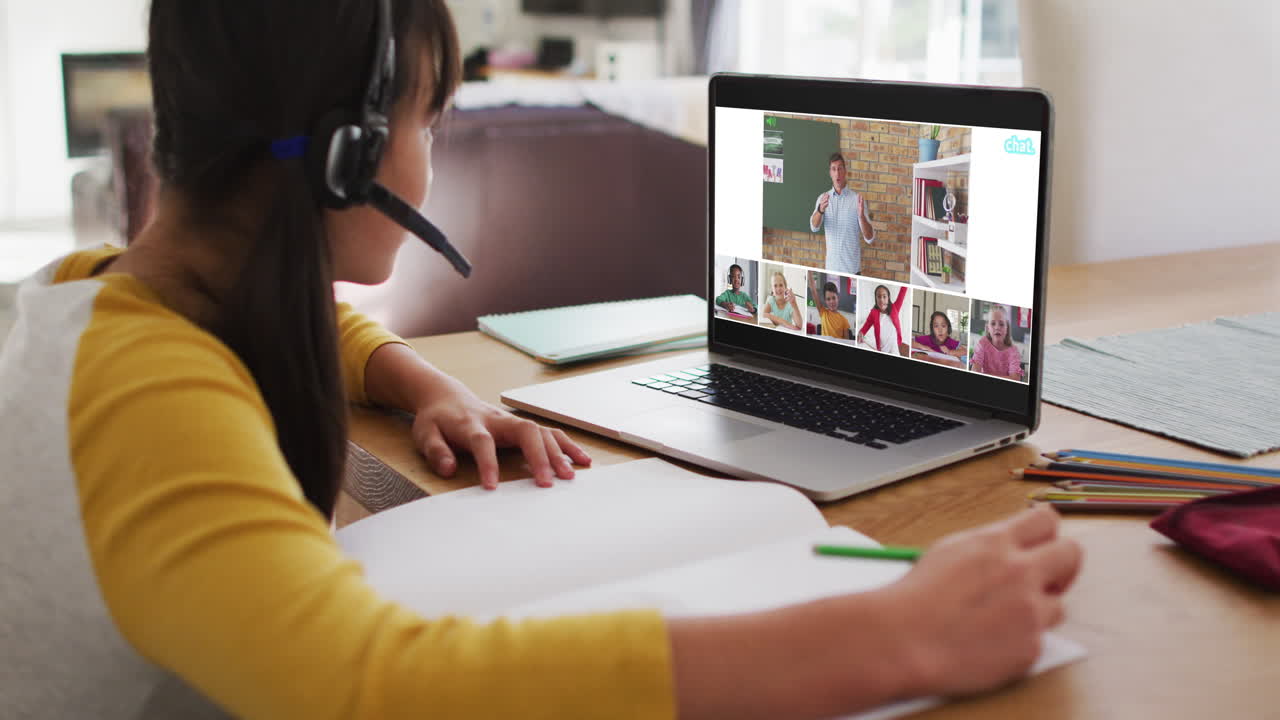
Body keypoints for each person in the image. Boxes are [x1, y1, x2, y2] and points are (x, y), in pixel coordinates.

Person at [0, 2, 1081, 718]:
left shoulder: (103, 297)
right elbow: (365, 688)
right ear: (347, 157)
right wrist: (894, 638)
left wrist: (420, 380)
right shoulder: (151, 397)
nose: (432, 157)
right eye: (434, 121)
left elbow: (277, 321)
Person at [809, 152, 876, 275]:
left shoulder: (857, 200)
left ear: (845, 171)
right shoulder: (823, 199)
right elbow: (813, 227)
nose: (837, 173)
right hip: (831, 269)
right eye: (834, 169)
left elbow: (870, 238)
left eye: (840, 169)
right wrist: (820, 211)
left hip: (852, 271)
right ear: (830, 173)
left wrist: (861, 217)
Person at [972, 304, 1026, 380]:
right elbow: (975, 371)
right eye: (993, 323)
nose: (997, 327)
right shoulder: (982, 344)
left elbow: (1015, 378)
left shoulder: (1013, 351)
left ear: (1006, 328)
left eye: (1001, 324)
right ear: (988, 328)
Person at [858, 284, 908, 355]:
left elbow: (902, 293)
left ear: (888, 298)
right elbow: (866, 325)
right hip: (881, 349)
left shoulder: (895, 308)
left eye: (884, 296)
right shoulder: (873, 313)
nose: (881, 299)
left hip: (893, 347)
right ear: (876, 298)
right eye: (879, 297)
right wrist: (861, 332)